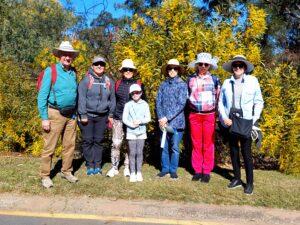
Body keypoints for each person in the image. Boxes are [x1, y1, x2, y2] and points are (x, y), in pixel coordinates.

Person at [218, 55, 264, 195]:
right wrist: (224, 117)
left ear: (245, 68)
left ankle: (249, 183)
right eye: (235, 65)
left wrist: (253, 120)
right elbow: (220, 102)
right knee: (233, 151)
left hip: (245, 122)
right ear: (232, 67)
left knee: (246, 153)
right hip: (230, 121)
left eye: (240, 65)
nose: (237, 68)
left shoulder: (252, 81)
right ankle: (237, 179)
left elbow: (259, 101)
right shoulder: (226, 82)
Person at [37, 41, 79, 188]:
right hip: (54, 114)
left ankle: (66, 171)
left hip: (71, 115)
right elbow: (42, 96)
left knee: (69, 146)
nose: (68, 57)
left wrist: (76, 113)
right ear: (60, 55)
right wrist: (44, 118)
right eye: (65, 54)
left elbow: (75, 94)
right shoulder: (51, 71)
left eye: (70, 55)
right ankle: (45, 175)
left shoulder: (73, 72)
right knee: (50, 147)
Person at [106, 59, 147, 178]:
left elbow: (144, 103)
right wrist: (110, 115)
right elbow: (113, 100)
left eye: (130, 69)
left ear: (133, 71)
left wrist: (141, 119)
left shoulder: (139, 84)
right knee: (116, 143)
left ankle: (127, 166)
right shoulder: (117, 83)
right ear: (122, 71)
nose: (128, 71)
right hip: (118, 118)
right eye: (125, 69)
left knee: (130, 144)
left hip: (132, 121)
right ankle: (114, 167)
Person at [77, 56, 116, 176]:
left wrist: (111, 113)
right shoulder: (86, 80)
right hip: (87, 116)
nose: (99, 66)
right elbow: (81, 98)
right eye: (97, 64)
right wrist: (82, 114)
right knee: (88, 141)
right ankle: (90, 165)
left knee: (98, 141)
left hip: (102, 117)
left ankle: (97, 166)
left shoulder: (109, 81)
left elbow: (112, 99)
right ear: (92, 66)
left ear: (104, 67)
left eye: (102, 64)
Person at [187, 53, 221, 183]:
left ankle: (206, 171)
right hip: (194, 115)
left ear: (209, 66)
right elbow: (187, 96)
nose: (203, 66)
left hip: (209, 115)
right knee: (196, 143)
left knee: (208, 143)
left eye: (206, 64)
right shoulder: (190, 79)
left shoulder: (214, 79)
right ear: (197, 65)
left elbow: (218, 97)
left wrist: (217, 115)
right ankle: (197, 170)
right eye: (200, 64)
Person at [155, 59, 188, 179]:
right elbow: (158, 102)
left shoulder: (182, 85)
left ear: (178, 70)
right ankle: (165, 168)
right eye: (170, 68)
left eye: (175, 68)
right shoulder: (163, 84)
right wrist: (161, 118)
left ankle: (173, 170)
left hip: (177, 123)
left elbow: (181, 104)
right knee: (163, 146)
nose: (172, 70)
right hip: (163, 122)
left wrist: (167, 117)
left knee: (174, 148)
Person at [122, 84, 151, 182]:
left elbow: (148, 118)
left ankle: (139, 172)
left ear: (141, 93)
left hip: (142, 132)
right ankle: (132, 173)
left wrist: (140, 121)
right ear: (130, 94)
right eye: (133, 93)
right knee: (132, 152)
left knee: (139, 152)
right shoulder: (128, 105)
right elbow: (124, 119)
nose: (135, 94)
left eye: (137, 92)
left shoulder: (145, 104)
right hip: (131, 131)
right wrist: (131, 124)